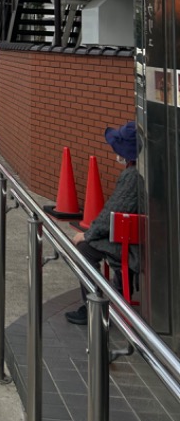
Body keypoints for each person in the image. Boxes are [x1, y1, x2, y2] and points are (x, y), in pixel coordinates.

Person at [65, 120, 142, 326]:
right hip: (134, 236)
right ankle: (107, 295)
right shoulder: (141, 172)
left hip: (128, 242)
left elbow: (112, 213)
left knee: (84, 250)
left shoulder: (132, 176)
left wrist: (87, 234)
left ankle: (94, 304)